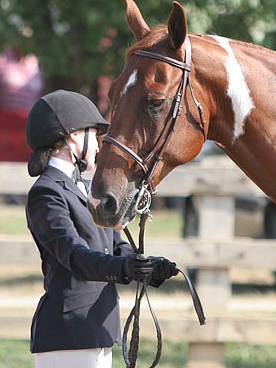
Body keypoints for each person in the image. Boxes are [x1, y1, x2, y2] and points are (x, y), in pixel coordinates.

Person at [25, 90, 178, 367]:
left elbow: (114, 245)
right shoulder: (46, 193)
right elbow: (74, 255)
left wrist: (147, 267)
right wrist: (123, 269)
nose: (98, 145)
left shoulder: (84, 187)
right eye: (93, 136)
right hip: (68, 331)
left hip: (98, 328)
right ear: (73, 136)